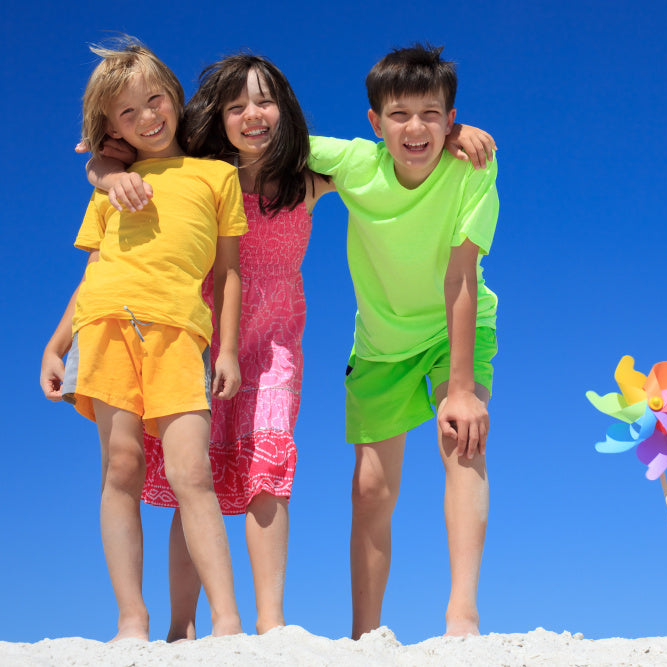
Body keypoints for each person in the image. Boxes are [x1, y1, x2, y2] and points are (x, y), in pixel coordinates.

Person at [81, 52, 496, 640]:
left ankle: (271, 622)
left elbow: (399, 140)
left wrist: (455, 131)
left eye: (265, 101)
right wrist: (102, 164)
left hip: (275, 345)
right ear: (216, 117)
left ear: (285, 111)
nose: (253, 115)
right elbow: (129, 161)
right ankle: (182, 626)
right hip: (206, 336)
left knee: (268, 467)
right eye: (236, 105)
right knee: (191, 476)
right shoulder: (200, 172)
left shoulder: (308, 178)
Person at [38, 38, 245, 641]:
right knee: (121, 468)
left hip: (180, 329)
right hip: (103, 322)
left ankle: (227, 622)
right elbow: (94, 269)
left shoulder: (214, 177)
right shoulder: (110, 184)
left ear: (174, 97)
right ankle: (132, 619)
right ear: (110, 126)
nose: (148, 117)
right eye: (128, 113)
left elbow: (228, 270)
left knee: (192, 474)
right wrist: (56, 344)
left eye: (155, 100)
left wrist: (226, 347)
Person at [308, 43, 499, 638]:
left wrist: (461, 390)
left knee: (461, 439)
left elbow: (460, 273)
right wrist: (109, 164)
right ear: (374, 122)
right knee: (369, 489)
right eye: (398, 115)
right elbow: (265, 136)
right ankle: (366, 636)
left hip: (455, 326)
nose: (415, 128)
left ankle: (461, 613)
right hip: (379, 343)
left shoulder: (472, 165)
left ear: (451, 117)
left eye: (432, 113)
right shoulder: (353, 162)